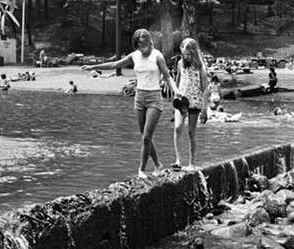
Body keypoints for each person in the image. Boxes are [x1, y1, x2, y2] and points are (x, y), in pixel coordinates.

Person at [81, 28, 180, 178]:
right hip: (139, 97)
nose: (142, 48)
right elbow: (115, 65)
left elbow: (167, 76)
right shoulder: (134, 56)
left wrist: (176, 91)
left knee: (147, 137)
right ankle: (158, 165)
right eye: (139, 45)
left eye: (144, 44)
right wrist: (94, 67)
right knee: (145, 136)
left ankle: (141, 169)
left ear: (149, 42)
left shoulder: (157, 56)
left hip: (154, 97)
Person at [172, 38, 209, 171]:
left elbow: (205, 88)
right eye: (184, 54)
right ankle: (178, 160)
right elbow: (177, 82)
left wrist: (205, 109)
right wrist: (174, 99)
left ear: (193, 53)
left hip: (194, 102)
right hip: (181, 101)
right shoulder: (180, 63)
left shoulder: (200, 67)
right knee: (177, 127)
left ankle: (191, 163)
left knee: (191, 132)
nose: (186, 57)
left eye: (188, 54)